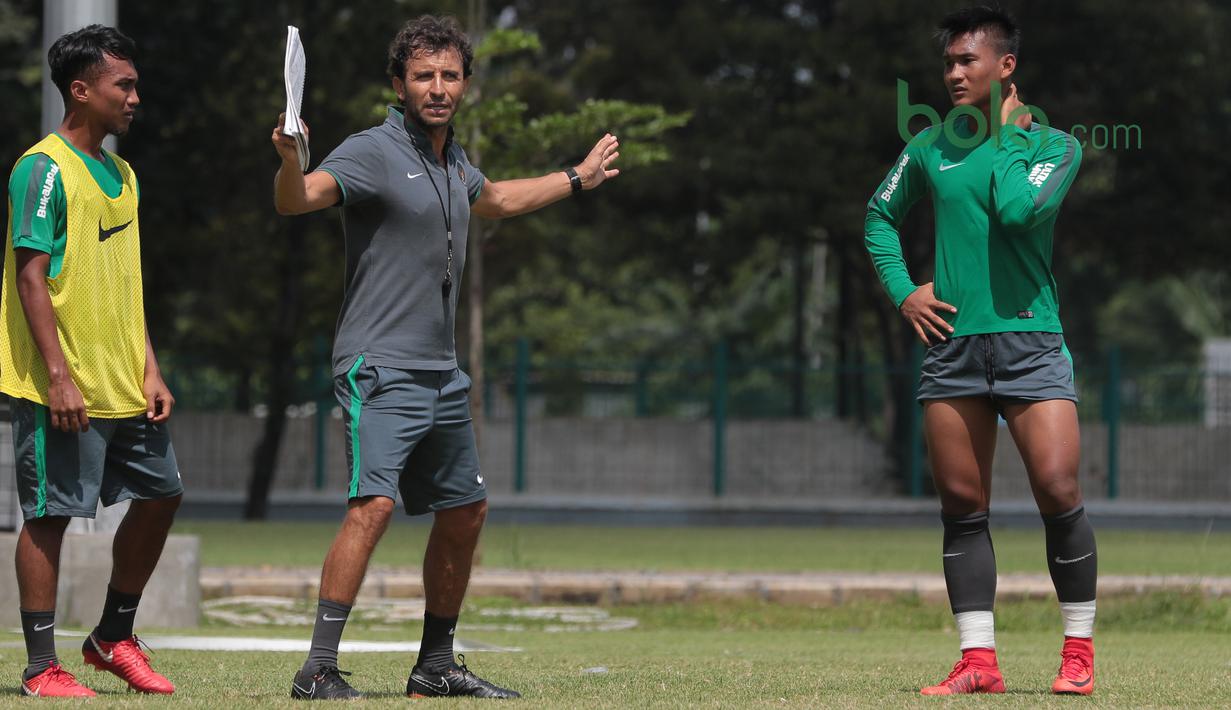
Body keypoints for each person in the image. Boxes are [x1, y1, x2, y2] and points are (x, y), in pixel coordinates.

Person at [271, 15, 619, 700]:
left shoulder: (452, 160)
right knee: (371, 505)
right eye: (423, 75)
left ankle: (434, 666)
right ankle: (317, 668)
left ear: (463, 83)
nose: (437, 88)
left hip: (440, 372)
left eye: (449, 75)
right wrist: (289, 158)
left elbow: (495, 200)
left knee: (464, 511)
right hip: (379, 364)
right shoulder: (371, 151)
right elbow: (298, 200)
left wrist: (576, 178)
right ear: (398, 84)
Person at [864, 6, 1094, 697]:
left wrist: (1008, 139)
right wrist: (905, 292)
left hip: (1030, 341)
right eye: (948, 63)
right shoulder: (929, 146)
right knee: (962, 506)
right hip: (952, 346)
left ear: (1005, 68)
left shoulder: (1055, 148)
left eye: (968, 61)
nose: (954, 73)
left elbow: (1016, 212)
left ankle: (1077, 652)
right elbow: (878, 215)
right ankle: (976, 662)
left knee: (1057, 488)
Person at [0, 25, 182, 697]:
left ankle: (112, 636)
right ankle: (40, 667)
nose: (135, 97)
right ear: (81, 91)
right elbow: (30, 277)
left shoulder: (123, 173)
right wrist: (56, 375)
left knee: (163, 494)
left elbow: (124, 282)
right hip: (63, 382)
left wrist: (150, 367)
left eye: (134, 84)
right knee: (49, 514)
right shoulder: (42, 167)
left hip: (123, 381)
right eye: (123, 85)